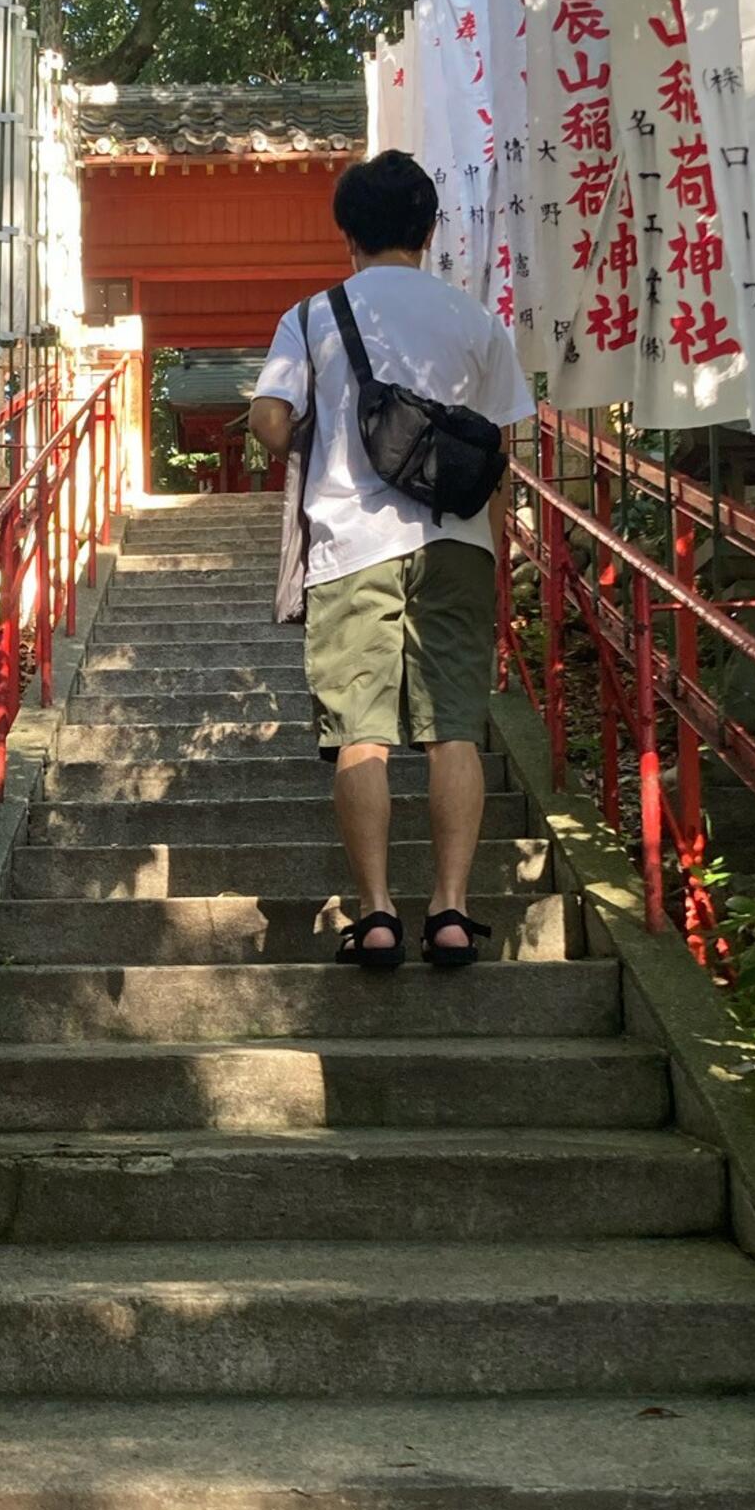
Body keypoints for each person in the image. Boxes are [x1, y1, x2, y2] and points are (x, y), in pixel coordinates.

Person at [248, 148, 533, 970]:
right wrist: (500, 551)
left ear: (349, 234)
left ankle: (375, 913)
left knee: (361, 737)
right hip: (458, 542)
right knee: (454, 731)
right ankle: (450, 908)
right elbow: (497, 450)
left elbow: (271, 422)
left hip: (350, 547)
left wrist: (321, 428)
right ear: (429, 228)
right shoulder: (474, 320)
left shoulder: (313, 316)